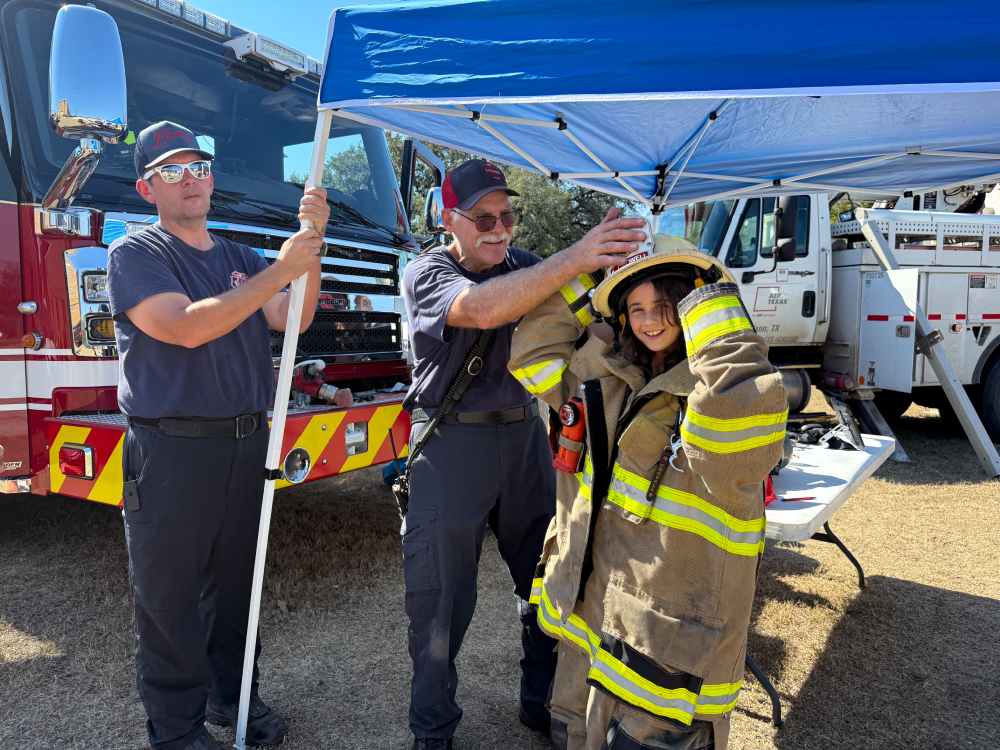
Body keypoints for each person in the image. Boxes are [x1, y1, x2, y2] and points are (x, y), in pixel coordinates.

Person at [400, 158, 647, 750]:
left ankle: (542, 703)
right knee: (439, 600)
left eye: (508, 215)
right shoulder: (426, 271)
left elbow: (586, 319)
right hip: (449, 442)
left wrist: (621, 287)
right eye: (483, 216)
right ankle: (432, 729)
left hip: (522, 439)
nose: (499, 227)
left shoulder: (529, 268)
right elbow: (484, 309)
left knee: (545, 580)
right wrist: (579, 255)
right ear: (447, 220)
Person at [509, 236, 788, 750]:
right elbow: (530, 354)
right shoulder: (608, 378)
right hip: (599, 614)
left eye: (666, 305)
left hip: (667, 641)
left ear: (693, 306)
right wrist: (589, 273)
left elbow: (740, 404)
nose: (650, 320)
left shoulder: (718, 396)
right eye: (635, 308)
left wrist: (714, 297)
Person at [107, 121, 328, 750]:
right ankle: (176, 731)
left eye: (198, 166)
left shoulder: (238, 257)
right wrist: (278, 270)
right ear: (149, 188)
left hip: (244, 443)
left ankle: (234, 703)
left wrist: (310, 245)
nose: (191, 180)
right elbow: (183, 327)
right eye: (173, 171)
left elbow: (293, 317)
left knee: (238, 587)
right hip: (171, 448)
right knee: (169, 596)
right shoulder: (138, 254)